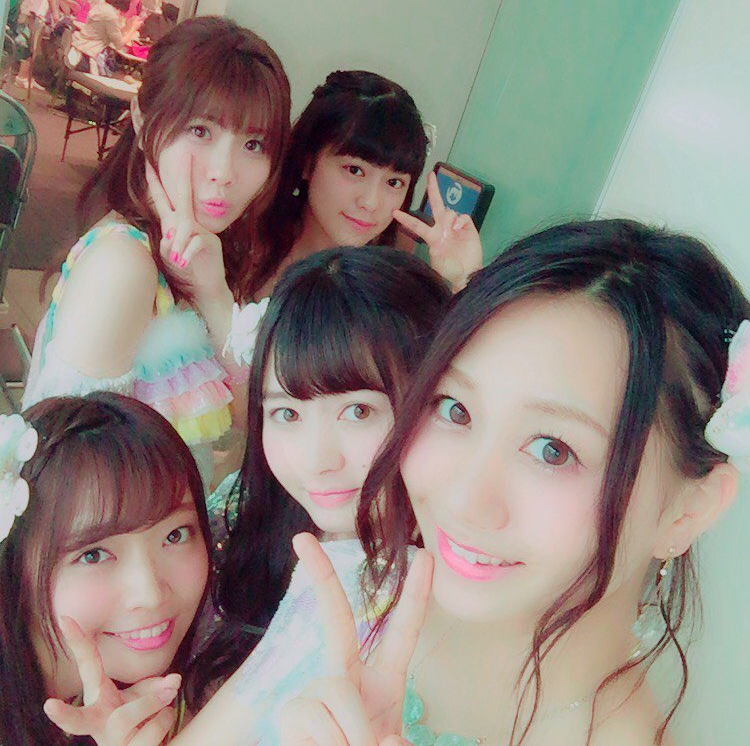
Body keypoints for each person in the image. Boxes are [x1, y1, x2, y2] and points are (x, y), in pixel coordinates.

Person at [278, 219, 749, 745]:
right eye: (454, 409)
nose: (462, 500)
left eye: (553, 450)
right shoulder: (360, 588)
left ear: (688, 510)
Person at [23, 16, 291, 482]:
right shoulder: (124, 265)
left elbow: (257, 423)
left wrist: (213, 292)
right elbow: (63, 477)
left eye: (253, 144)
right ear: (142, 121)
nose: (224, 172)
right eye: (201, 131)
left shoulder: (194, 256)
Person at [186, 246, 452, 709]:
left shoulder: (452, 587)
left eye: (358, 411)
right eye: (287, 413)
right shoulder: (239, 516)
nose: (316, 461)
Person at [0, 392, 211, 746]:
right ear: (14, 567)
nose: (150, 594)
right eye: (94, 555)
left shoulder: (206, 686)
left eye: (175, 535)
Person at [252, 70, 482, 298]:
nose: (370, 203)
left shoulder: (394, 295)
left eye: (394, 182)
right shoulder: (242, 249)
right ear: (307, 161)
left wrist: (463, 280)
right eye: (354, 170)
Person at [69, 0, 144, 76]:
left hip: (83, 46)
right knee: (120, 75)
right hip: (88, 54)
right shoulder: (111, 16)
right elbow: (119, 44)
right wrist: (133, 29)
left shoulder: (103, 7)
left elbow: (113, 35)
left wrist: (128, 27)